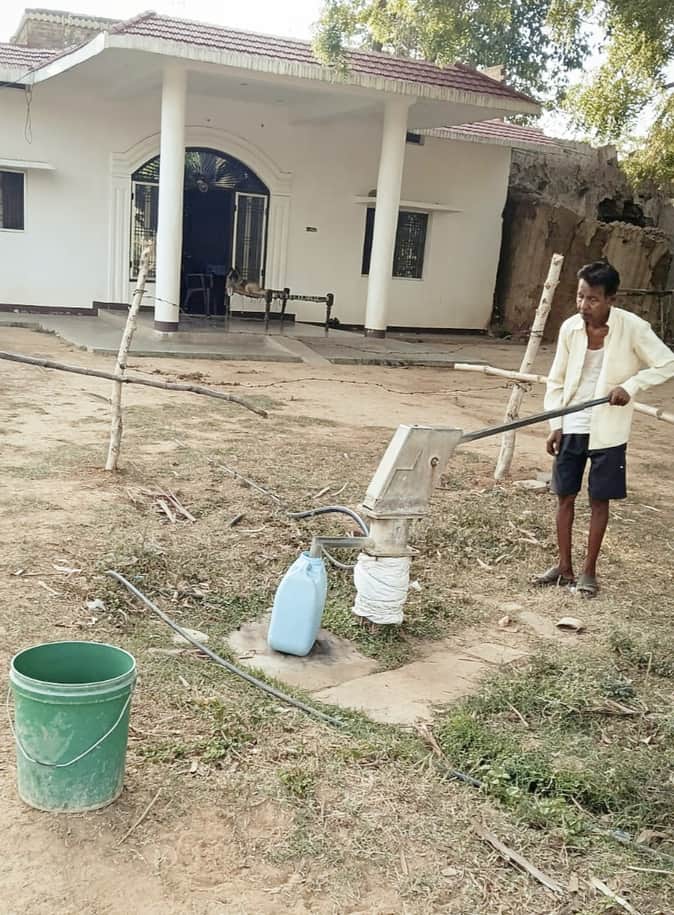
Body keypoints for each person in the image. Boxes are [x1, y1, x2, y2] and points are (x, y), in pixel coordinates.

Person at [535, 260, 674, 597]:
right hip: (572, 424)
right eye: (580, 297)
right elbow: (556, 380)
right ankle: (564, 567)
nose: (584, 305)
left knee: (599, 500)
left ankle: (588, 572)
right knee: (564, 496)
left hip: (609, 429)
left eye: (593, 299)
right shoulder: (570, 328)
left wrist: (631, 386)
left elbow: (667, 362)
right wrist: (556, 422)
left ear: (611, 299)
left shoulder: (633, 328)